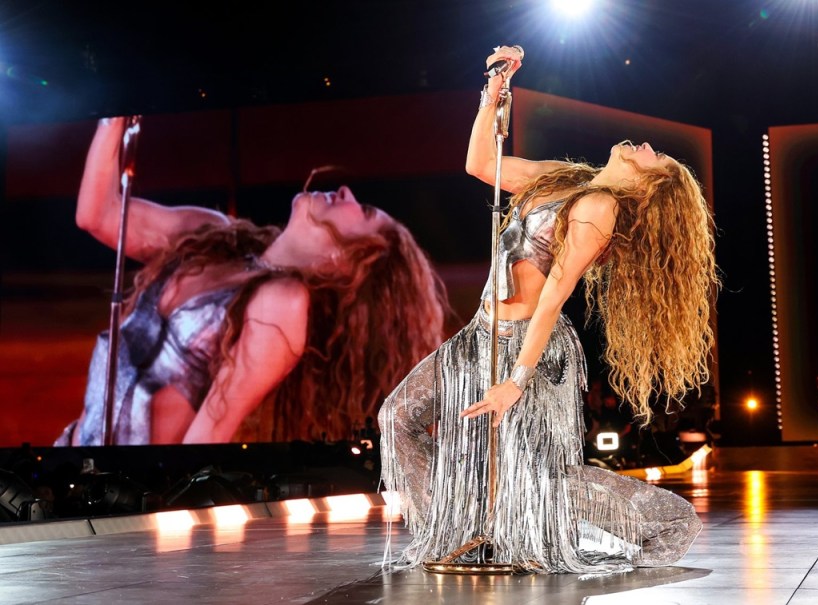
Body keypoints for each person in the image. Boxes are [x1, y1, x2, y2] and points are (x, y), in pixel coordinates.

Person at [380, 46, 717, 573]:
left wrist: (516, 381)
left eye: (658, 158)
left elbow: (554, 295)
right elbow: (480, 165)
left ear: (649, 186)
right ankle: (449, 533)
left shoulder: (599, 209)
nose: (648, 146)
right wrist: (494, 95)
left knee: (540, 476)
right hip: (479, 335)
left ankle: (665, 520)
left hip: (530, 348)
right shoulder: (568, 178)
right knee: (398, 417)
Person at [55, 116, 449, 446]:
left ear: (351, 264)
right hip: (74, 457)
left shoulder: (282, 303)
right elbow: (99, 215)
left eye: (363, 211)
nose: (346, 191)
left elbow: (207, 437)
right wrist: (115, 116)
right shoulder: (212, 238)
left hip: (132, 491)